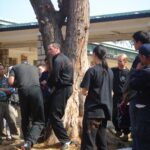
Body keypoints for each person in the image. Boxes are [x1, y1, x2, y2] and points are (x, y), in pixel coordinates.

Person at [80, 45, 113, 150]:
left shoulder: (92, 71)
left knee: (88, 142)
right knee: (101, 142)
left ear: (94, 54)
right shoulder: (110, 72)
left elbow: (84, 91)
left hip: (93, 111)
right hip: (105, 111)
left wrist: (86, 93)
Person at [122, 31, 150, 149]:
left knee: (138, 131)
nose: (133, 45)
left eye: (134, 42)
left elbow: (133, 83)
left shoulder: (142, 63)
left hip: (139, 102)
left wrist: (126, 98)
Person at [8, 61, 45, 150]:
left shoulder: (15, 68)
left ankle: (26, 141)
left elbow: (10, 82)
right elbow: (39, 78)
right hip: (36, 91)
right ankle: (29, 142)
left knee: (25, 118)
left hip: (23, 91)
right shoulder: (35, 68)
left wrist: (19, 83)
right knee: (39, 120)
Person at [47, 43, 73, 150]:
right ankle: (64, 139)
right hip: (62, 89)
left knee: (54, 115)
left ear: (57, 49)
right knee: (54, 114)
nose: (49, 51)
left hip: (63, 89)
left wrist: (47, 83)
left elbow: (54, 77)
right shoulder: (60, 58)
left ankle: (65, 140)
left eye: (50, 49)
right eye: (48, 49)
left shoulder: (58, 60)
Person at [129, 44, 150, 150]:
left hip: (144, 114)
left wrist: (137, 70)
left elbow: (132, 84)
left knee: (141, 142)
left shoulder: (145, 73)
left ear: (144, 57)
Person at [111, 54, 130, 140]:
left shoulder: (128, 73)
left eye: (120, 61)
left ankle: (126, 134)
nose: (118, 63)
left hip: (125, 97)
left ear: (125, 62)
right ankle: (118, 130)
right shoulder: (113, 70)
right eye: (118, 61)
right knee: (114, 115)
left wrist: (128, 99)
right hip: (116, 96)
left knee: (125, 115)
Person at [0, 64, 19, 142]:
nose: (0, 70)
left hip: (7, 103)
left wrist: (2, 90)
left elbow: (12, 90)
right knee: (0, 122)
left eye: (1, 69)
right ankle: (1, 138)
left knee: (12, 120)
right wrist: (5, 90)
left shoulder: (7, 79)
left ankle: (14, 137)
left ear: (4, 70)